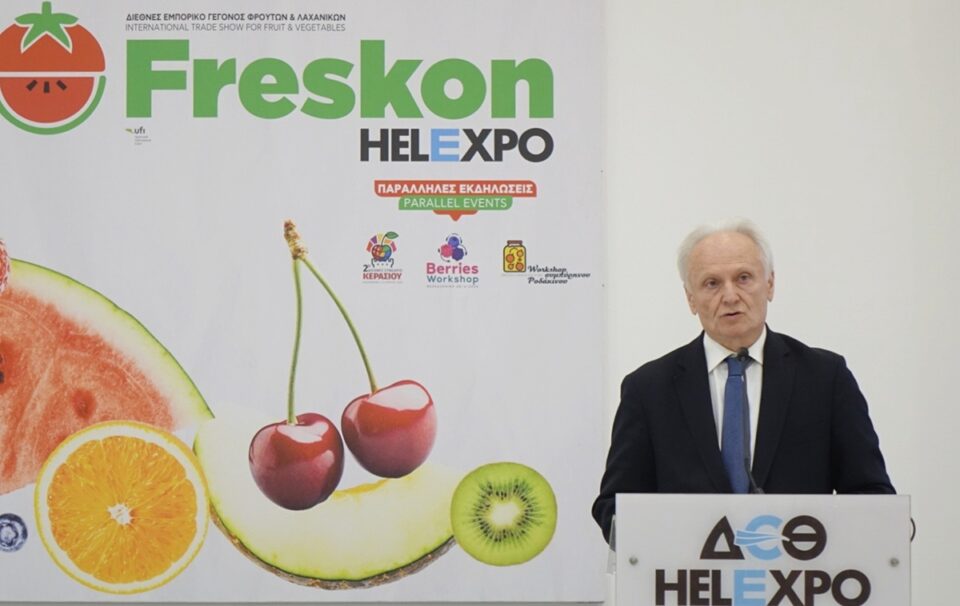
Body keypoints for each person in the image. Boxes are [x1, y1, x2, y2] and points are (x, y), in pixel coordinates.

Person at [592, 218, 894, 544]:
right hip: (689, 573)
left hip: (798, 569)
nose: (730, 296)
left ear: (770, 284)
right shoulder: (648, 390)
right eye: (711, 283)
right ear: (690, 298)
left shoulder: (825, 378)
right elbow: (615, 507)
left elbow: (871, 497)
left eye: (744, 278)